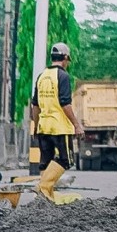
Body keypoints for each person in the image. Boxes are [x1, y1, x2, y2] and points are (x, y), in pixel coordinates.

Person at [31, 42, 85, 203]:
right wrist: (76, 125)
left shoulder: (42, 76)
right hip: (60, 127)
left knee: (45, 162)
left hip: (43, 127)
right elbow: (65, 104)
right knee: (66, 160)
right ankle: (43, 187)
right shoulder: (63, 76)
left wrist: (36, 125)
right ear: (65, 58)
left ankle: (45, 199)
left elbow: (35, 105)